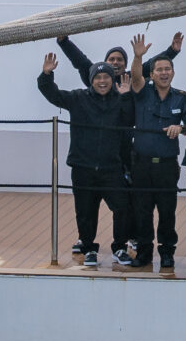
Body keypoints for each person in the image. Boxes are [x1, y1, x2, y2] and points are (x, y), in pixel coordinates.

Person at [37, 51, 132, 267]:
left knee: (122, 207)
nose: (102, 81)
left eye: (106, 77)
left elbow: (130, 120)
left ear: (111, 79)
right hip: (83, 166)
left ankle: (119, 247)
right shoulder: (78, 98)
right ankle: (89, 248)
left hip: (111, 167)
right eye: (98, 78)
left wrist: (126, 96)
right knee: (85, 211)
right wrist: (46, 75)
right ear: (91, 80)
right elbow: (53, 95)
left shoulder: (120, 99)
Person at [121, 37, 186, 270]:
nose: (163, 73)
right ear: (152, 74)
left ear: (173, 73)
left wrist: (181, 128)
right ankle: (143, 252)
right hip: (141, 164)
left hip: (166, 166)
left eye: (167, 69)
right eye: (159, 69)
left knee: (167, 212)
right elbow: (136, 76)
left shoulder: (181, 97)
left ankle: (167, 252)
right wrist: (138, 57)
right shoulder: (142, 92)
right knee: (142, 210)